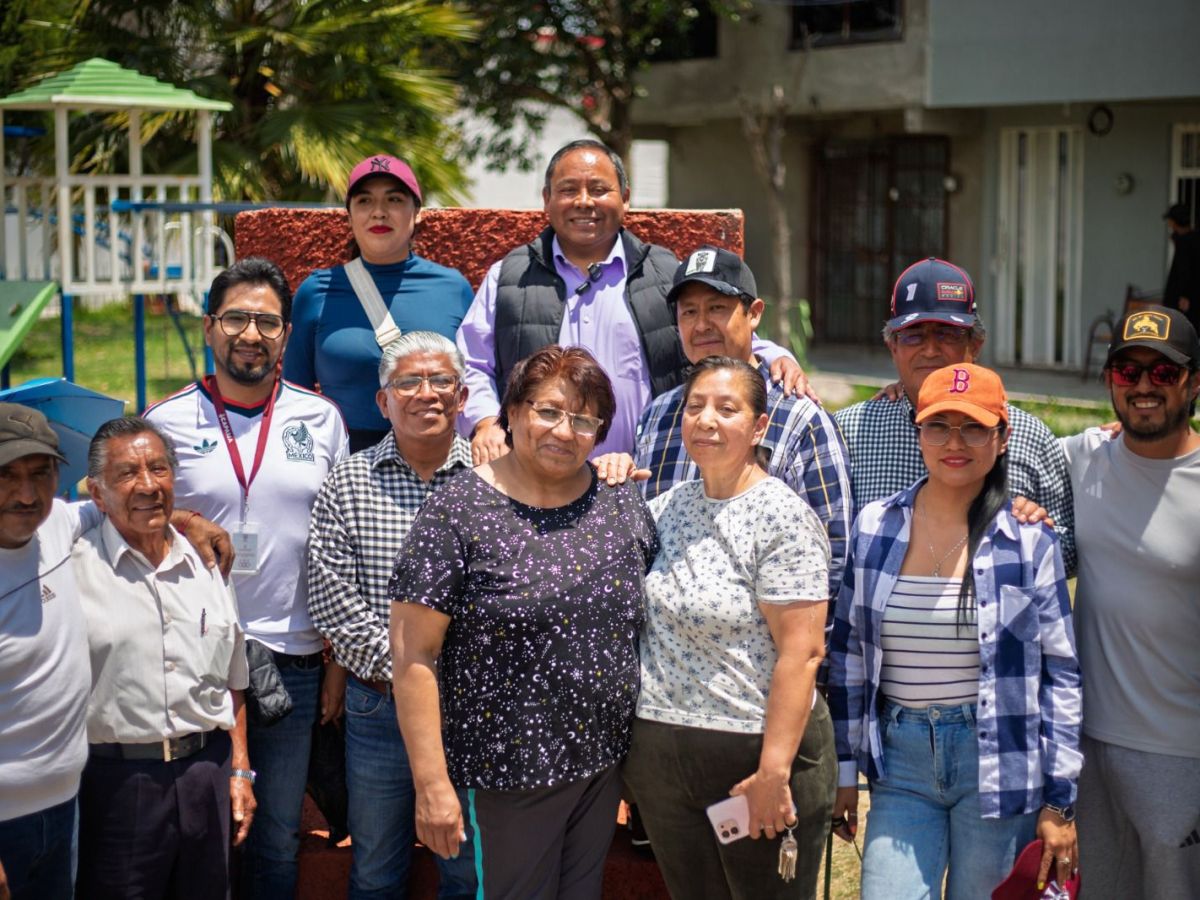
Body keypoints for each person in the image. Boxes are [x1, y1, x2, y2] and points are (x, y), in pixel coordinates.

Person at [390, 345, 658, 899]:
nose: (566, 430)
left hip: (603, 763)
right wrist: (432, 783)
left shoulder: (621, 502)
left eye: (585, 419)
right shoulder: (456, 511)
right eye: (549, 411)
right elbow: (413, 656)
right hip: (508, 775)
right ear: (511, 412)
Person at [827, 363, 1082, 900]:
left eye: (972, 427)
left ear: (1002, 435)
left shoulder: (1029, 543)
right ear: (917, 431)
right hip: (901, 765)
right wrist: (845, 770)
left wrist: (1059, 803)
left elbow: (1061, 678)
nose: (954, 442)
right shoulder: (874, 526)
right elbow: (848, 655)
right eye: (938, 425)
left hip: (996, 762)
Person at [144, 257, 349, 898]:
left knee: (278, 838)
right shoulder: (167, 421)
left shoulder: (322, 420)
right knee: (197, 830)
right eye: (236, 318)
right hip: (194, 657)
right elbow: (123, 511)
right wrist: (182, 516)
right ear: (210, 328)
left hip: (293, 655)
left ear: (286, 334)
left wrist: (336, 658)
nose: (250, 333)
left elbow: (338, 542)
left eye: (266, 321)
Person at [621, 356, 835, 899]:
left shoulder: (782, 516)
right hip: (663, 765)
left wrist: (773, 772)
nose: (707, 420)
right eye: (695, 407)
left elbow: (802, 653)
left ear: (759, 426)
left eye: (727, 408)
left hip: (754, 766)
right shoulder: (662, 509)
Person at [0, 404, 231, 900]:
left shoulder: (59, 527)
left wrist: (190, 519)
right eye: (7, 475)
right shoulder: (76, 549)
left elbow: (141, 503)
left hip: (65, 807)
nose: (25, 492)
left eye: (40, 474)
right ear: (99, 489)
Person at [456, 138, 807, 463]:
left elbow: (712, 337)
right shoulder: (509, 277)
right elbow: (471, 363)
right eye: (568, 190)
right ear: (546, 199)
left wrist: (777, 356)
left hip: (642, 476)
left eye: (598, 189)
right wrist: (486, 422)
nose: (583, 201)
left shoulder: (664, 272)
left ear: (625, 198)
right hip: (537, 476)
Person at [307, 332, 478, 899]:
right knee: (376, 868)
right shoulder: (349, 482)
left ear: (462, 395)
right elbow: (333, 600)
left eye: (440, 381)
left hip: (469, 706)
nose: (425, 394)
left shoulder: (493, 483)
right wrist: (412, 674)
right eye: (408, 382)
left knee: (467, 869)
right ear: (383, 401)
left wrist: (437, 676)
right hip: (376, 705)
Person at [71, 417, 253, 900]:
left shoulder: (208, 560)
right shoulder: (70, 568)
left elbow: (232, 678)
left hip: (205, 776)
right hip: (116, 782)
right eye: (128, 474)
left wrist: (239, 771)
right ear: (96, 492)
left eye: (160, 469)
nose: (148, 485)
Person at [1063, 305, 1200, 898]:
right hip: (1087, 747)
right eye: (1127, 372)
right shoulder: (1078, 458)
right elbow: (973, 431)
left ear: (1194, 383)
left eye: (1163, 374)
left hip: (1182, 753)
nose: (1144, 386)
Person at [622, 246, 851, 599]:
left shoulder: (799, 417)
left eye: (717, 308)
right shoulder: (660, 414)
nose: (701, 325)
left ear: (754, 314)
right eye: (689, 312)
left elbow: (833, 550)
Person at [833, 257, 1075, 572]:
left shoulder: (1029, 435)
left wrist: (1037, 532)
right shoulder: (850, 431)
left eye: (947, 334)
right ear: (892, 346)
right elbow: (829, 546)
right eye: (914, 335)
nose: (931, 350)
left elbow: (1068, 551)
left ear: (976, 344)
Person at [286, 153, 475, 451]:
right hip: (343, 461)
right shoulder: (316, 291)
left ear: (417, 212)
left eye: (394, 200)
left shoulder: (454, 288)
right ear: (348, 216)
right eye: (364, 201)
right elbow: (294, 395)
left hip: (434, 460)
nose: (379, 212)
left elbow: (473, 380)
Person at [1163, 203, 1200, 331]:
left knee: (1180, 330)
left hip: (1183, 299)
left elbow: (1185, 269)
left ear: (1175, 221)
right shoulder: (1191, 238)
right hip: (1189, 296)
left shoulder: (1185, 242)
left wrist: (1185, 295)